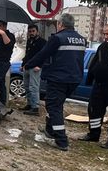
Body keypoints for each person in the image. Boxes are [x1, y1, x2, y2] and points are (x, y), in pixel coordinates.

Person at [25, 13, 86, 151]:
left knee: (53, 106)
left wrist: (28, 65)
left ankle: (61, 140)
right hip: (74, 79)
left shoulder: (58, 38)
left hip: (59, 78)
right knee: (56, 104)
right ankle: (49, 129)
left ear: (60, 24)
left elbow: (43, 54)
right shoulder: (81, 39)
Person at [21, 24, 47, 116]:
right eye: (30, 31)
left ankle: (35, 108)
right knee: (27, 87)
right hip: (27, 67)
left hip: (35, 68)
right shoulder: (29, 41)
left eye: (33, 31)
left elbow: (45, 55)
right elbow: (27, 54)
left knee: (34, 87)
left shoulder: (42, 42)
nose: (31, 33)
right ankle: (29, 104)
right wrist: (23, 64)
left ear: (37, 32)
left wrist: (40, 66)